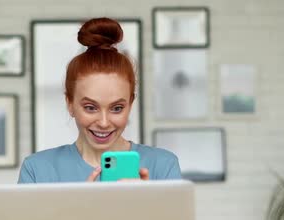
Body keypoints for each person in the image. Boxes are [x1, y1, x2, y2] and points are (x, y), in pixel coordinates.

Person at [18, 17, 182, 184]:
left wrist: (144, 203)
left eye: (117, 108)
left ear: (131, 104)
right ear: (70, 103)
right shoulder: (36, 170)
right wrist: (88, 205)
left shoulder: (163, 166)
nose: (104, 123)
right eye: (90, 107)